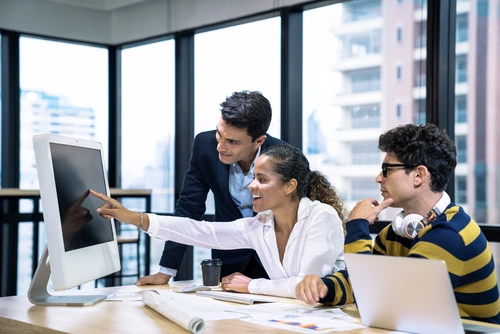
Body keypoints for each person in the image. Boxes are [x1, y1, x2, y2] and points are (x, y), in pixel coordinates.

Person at [295, 123, 500, 324]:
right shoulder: (397, 231)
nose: (378, 178)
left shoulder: (451, 235)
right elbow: (364, 282)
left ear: (419, 175)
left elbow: (385, 304)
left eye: (387, 170)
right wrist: (323, 288)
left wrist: (357, 227)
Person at [91, 144, 347, 298]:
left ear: (290, 186)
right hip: (287, 321)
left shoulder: (321, 216)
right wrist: (134, 218)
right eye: (253, 177)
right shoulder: (261, 223)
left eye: (262, 179)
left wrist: (252, 286)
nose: (251, 186)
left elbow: (307, 285)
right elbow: (201, 232)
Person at [139, 90, 286, 286]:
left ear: (259, 140)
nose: (221, 147)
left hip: (275, 264)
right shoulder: (205, 146)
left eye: (232, 142)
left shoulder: (284, 157)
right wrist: (166, 270)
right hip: (228, 262)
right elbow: (189, 207)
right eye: (220, 134)